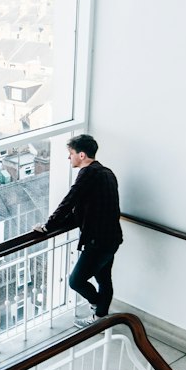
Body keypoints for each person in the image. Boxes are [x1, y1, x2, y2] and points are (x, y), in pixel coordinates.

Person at [35, 133, 122, 319]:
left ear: (81, 155)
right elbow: (85, 209)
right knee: (104, 280)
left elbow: (70, 200)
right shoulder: (107, 173)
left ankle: (98, 309)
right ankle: (101, 317)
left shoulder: (88, 174)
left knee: (76, 281)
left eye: (71, 153)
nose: (69, 157)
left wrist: (48, 226)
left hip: (97, 241)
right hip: (112, 238)